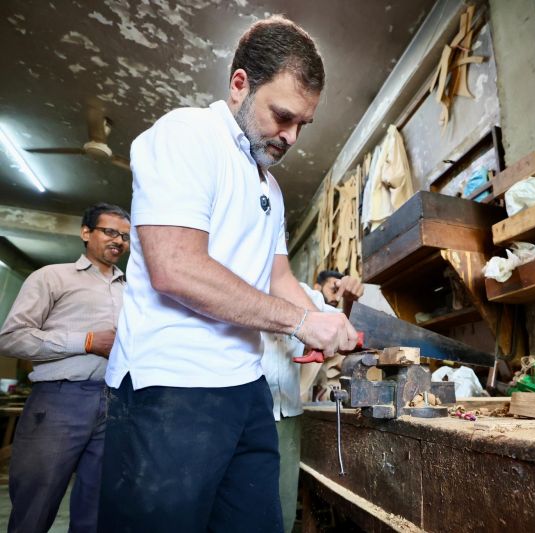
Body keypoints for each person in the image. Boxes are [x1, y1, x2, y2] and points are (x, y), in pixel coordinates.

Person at [97, 15, 358, 532]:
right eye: (282, 116)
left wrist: (326, 316)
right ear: (240, 84)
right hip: (171, 388)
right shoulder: (187, 135)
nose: (292, 137)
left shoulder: (272, 189)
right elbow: (176, 268)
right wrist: (300, 324)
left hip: (246, 387)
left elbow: (277, 276)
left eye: (303, 124)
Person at [0, 203, 131, 533]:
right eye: (110, 231)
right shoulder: (51, 277)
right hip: (59, 402)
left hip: (115, 403)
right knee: (35, 505)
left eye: (126, 236)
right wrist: (87, 341)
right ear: (86, 233)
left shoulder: (134, 291)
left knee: (96, 511)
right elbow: (12, 339)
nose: (119, 241)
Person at [263, 270, 364, 532]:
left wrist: (350, 300)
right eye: (333, 287)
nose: (335, 293)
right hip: (246, 404)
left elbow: (346, 333)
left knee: (280, 512)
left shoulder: (308, 298)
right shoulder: (244, 277)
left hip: (287, 414)